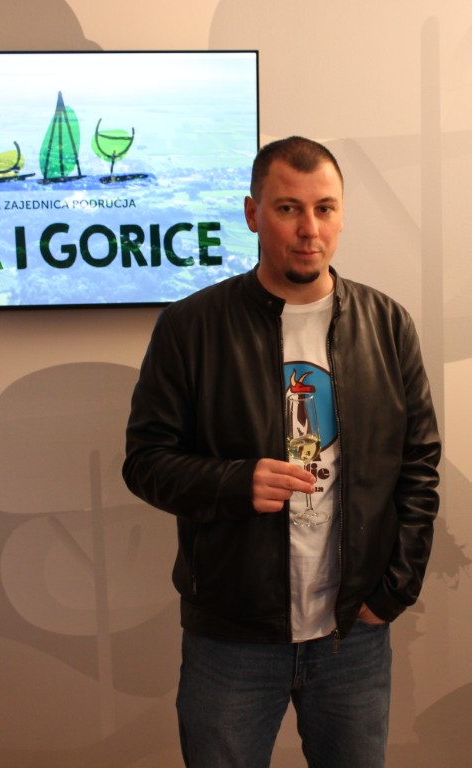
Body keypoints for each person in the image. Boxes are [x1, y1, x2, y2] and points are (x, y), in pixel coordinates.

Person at [123, 136, 441, 768]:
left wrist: (394, 591)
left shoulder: (387, 324)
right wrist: (235, 483)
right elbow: (145, 462)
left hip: (352, 634)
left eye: (324, 208)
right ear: (252, 213)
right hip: (231, 636)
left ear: (342, 215)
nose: (308, 229)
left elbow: (418, 466)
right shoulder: (190, 328)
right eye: (288, 208)